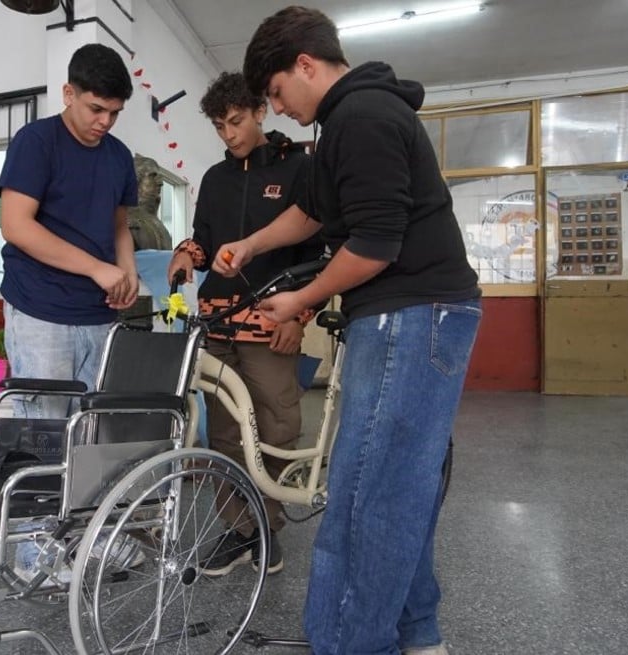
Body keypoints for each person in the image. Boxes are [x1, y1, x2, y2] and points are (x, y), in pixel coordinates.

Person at [217, 7, 482, 654]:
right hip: (419, 313)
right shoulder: (346, 121)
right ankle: (417, 633)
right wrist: (251, 244)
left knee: (367, 494)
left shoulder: (362, 117)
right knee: (400, 485)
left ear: (305, 65)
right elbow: (311, 212)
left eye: (277, 91)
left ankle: (349, 643)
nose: (279, 109)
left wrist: (299, 301)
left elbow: (375, 244)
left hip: (408, 315)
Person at [167, 71, 324, 577]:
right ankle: (240, 531)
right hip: (218, 328)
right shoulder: (216, 179)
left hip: (272, 327)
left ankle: (267, 526)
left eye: (236, 121)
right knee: (226, 438)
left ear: (260, 111)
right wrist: (185, 254)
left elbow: (318, 251)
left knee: (277, 428)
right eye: (219, 126)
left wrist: (301, 315)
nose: (229, 134)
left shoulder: (299, 168)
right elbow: (204, 241)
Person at [0, 42, 140, 580]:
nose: (105, 122)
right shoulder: (37, 142)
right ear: (68, 94)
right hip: (41, 310)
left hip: (98, 316)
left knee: (93, 433)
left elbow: (119, 224)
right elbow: (17, 226)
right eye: (95, 109)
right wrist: (97, 269)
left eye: (114, 113)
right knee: (42, 429)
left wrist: (126, 272)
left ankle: (83, 538)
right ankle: (32, 553)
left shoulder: (118, 156)